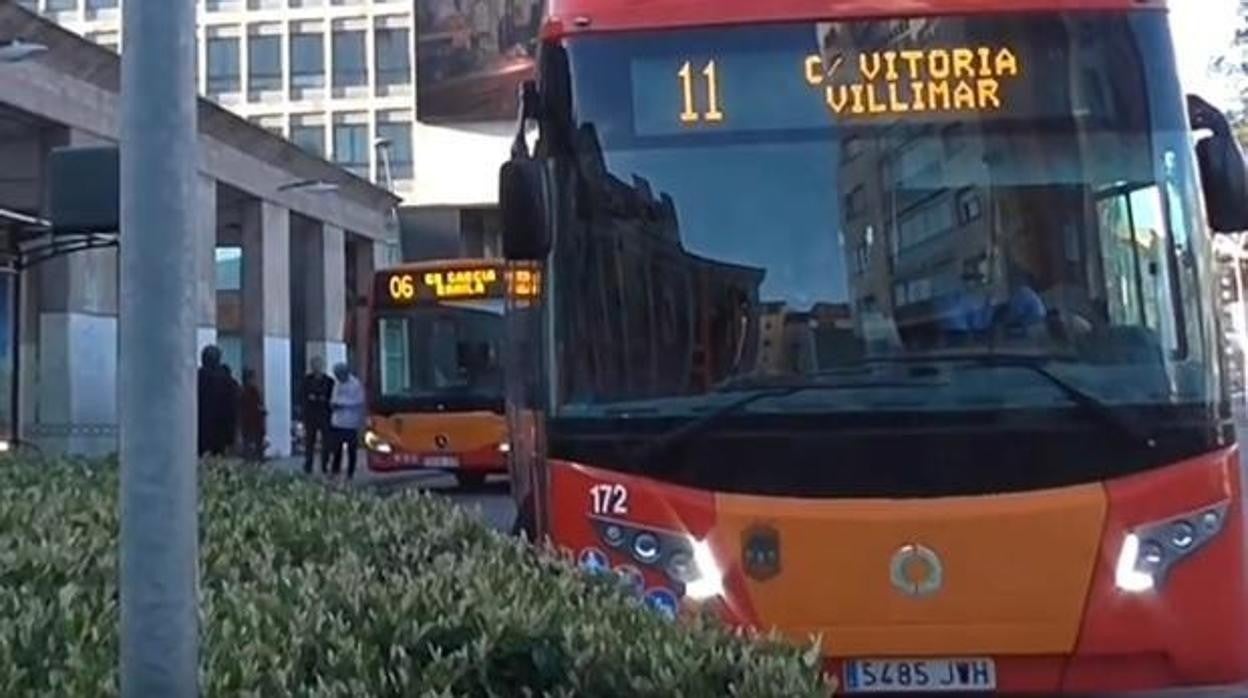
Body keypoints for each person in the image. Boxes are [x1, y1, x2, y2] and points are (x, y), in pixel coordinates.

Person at [197, 345, 239, 457]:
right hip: (220, 434)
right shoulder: (228, 382)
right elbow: (232, 410)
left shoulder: (195, 378)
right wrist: (231, 437)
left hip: (199, 432)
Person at [328, 363, 366, 481]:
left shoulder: (355, 384)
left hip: (350, 422)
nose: (339, 378)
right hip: (337, 421)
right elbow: (333, 397)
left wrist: (342, 404)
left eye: (340, 375)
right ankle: (335, 471)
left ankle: (350, 473)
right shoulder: (337, 383)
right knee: (336, 449)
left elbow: (358, 401)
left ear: (345, 373)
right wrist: (333, 404)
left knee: (351, 450)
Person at [299, 356, 335, 475]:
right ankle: (308, 465)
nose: (316, 368)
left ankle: (325, 465)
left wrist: (322, 399)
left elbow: (332, 397)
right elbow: (303, 397)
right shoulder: (306, 380)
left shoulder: (329, 381)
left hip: (325, 414)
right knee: (310, 441)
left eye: (318, 365)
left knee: (327, 441)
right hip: (311, 415)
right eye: (314, 365)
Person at [239, 368, 267, 463]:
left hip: (249, 421)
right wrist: (261, 410)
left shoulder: (242, 391)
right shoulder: (251, 391)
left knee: (249, 443)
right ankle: (255, 460)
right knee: (254, 443)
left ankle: (250, 460)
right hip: (253, 421)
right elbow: (257, 405)